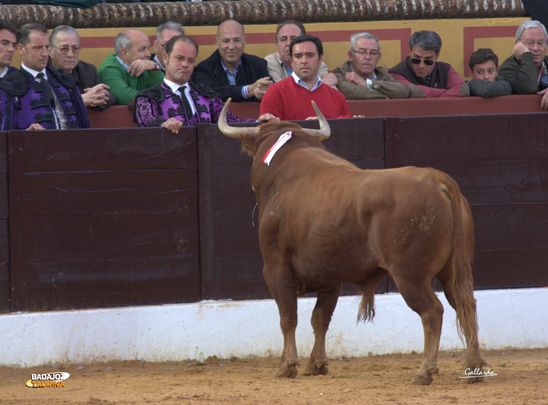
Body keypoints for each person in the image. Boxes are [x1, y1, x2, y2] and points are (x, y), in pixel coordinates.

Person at [134, 35, 278, 133]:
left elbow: (231, 121)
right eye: (179, 58)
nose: (185, 65)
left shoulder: (206, 94)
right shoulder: (147, 97)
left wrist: (258, 121)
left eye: (190, 61)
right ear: (165, 58)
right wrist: (162, 124)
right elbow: (146, 121)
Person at [9, 23, 89, 130]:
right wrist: (25, 134)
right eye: (38, 48)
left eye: (47, 47)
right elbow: (6, 134)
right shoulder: (10, 86)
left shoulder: (64, 80)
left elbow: (84, 124)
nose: (45, 53)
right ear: (21, 49)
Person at [260, 35, 351, 120]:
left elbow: (346, 134)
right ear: (291, 61)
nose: (304, 61)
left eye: (310, 56)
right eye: (298, 56)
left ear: (320, 59)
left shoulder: (337, 97)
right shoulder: (275, 92)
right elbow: (268, 133)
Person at [192, 19, 272, 102]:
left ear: (244, 41)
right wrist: (248, 90)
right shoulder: (204, 69)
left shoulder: (258, 65)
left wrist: (262, 95)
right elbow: (211, 94)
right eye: (226, 41)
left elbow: (271, 93)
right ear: (217, 42)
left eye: (237, 40)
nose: (231, 47)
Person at [49, 25, 116, 109]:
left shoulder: (87, 70)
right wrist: (80, 100)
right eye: (64, 49)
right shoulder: (40, 72)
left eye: (75, 48)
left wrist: (99, 98)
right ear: (50, 51)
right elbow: (44, 104)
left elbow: (110, 96)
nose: (70, 54)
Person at [390, 30, 470, 98]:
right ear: (410, 53)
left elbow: (463, 90)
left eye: (428, 61)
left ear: (437, 56)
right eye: (416, 59)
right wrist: (448, 93)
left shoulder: (445, 69)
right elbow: (414, 92)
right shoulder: (398, 72)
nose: (421, 66)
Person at [333, 32, 411, 99]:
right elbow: (356, 94)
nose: (368, 57)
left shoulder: (382, 73)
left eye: (373, 53)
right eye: (362, 52)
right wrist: (387, 96)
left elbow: (403, 91)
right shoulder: (340, 74)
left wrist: (366, 83)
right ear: (351, 55)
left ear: (378, 57)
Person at [98, 29, 164, 105]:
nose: (149, 54)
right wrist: (158, 98)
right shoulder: (108, 70)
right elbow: (125, 97)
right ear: (125, 53)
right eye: (142, 49)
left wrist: (155, 68)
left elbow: (168, 92)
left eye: (148, 49)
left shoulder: (145, 66)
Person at [264, 19, 337, 88]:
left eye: (294, 39)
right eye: (283, 39)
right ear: (276, 46)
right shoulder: (269, 62)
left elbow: (332, 94)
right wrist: (322, 84)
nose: (289, 43)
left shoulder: (317, 63)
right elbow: (280, 92)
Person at [498, 20, 548, 109]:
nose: (536, 48)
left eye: (540, 43)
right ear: (518, 44)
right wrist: (526, 54)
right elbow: (529, 88)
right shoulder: (507, 68)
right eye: (530, 43)